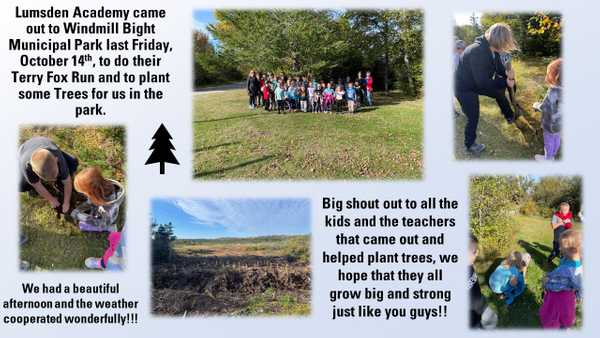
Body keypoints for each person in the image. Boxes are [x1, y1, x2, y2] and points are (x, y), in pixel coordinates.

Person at [454, 23, 518, 156]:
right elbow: (483, 83)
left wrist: (508, 76)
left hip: (476, 82)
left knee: (499, 92)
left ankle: (509, 115)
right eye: (504, 43)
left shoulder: (491, 49)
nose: (504, 47)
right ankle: (470, 144)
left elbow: (499, 69)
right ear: (497, 41)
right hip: (464, 88)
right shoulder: (476, 51)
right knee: (473, 115)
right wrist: (504, 81)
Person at [19, 136, 78, 214]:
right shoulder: (27, 167)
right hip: (24, 151)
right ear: (34, 171)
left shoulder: (57, 155)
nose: (54, 180)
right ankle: (30, 186)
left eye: (57, 175)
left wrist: (66, 202)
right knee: (20, 186)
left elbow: (67, 181)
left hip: (43, 142)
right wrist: (52, 200)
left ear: (56, 160)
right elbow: (37, 185)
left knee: (73, 162)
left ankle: (60, 178)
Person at [539, 230, 582, 329]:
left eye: (562, 246)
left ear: (571, 250)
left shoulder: (565, 270)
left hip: (558, 297)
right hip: (570, 295)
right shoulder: (577, 262)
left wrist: (545, 282)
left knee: (553, 315)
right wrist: (579, 295)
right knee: (566, 313)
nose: (559, 248)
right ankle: (564, 325)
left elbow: (554, 284)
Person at [70, 167, 125, 232]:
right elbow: (89, 202)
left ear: (92, 192)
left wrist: (81, 216)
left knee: (82, 225)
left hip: (107, 219)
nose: (84, 194)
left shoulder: (107, 207)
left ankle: (110, 228)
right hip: (105, 211)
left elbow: (100, 222)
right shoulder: (103, 188)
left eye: (84, 192)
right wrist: (78, 209)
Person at [533, 59, 562, 161]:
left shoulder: (553, 92)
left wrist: (536, 105)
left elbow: (545, 107)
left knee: (549, 139)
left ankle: (548, 159)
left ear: (555, 76)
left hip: (550, 124)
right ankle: (553, 154)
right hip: (560, 123)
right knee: (557, 137)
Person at [469, 234, 497, 329]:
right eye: (474, 251)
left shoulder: (469, 265)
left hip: (481, 304)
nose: (477, 253)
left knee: (493, 320)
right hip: (472, 320)